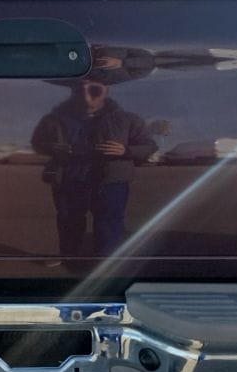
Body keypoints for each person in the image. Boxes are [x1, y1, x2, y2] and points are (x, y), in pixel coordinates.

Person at [31, 79, 157, 257]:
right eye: (79, 90)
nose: (86, 96)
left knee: (109, 222)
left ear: (106, 91)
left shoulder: (127, 119)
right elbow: (37, 143)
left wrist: (126, 150)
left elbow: (149, 145)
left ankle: (106, 260)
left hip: (110, 180)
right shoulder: (54, 119)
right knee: (68, 221)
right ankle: (69, 256)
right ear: (73, 93)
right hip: (68, 178)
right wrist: (52, 147)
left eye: (94, 90)